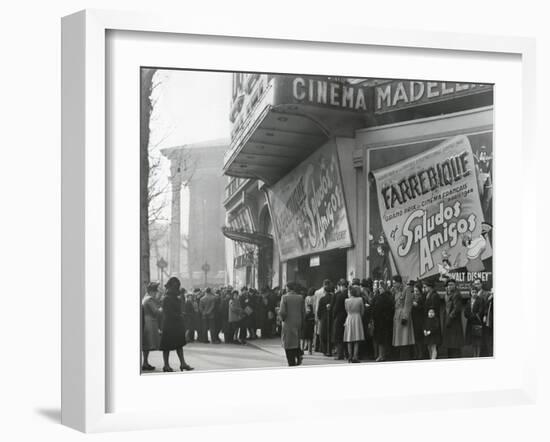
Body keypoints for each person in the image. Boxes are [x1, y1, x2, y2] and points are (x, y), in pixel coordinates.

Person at [159, 277, 194, 372]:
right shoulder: (166, 298)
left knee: (179, 345)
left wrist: (181, 315)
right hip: (169, 325)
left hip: (176, 324)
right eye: (175, 286)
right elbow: (168, 313)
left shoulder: (176, 298)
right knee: (166, 346)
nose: (177, 288)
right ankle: (166, 365)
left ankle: (183, 363)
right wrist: (180, 315)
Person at [279, 282, 305, 366]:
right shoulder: (300, 297)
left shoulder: (284, 297)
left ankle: (291, 362)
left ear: (288, 288)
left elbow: (282, 312)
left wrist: (282, 319)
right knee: (296, 341)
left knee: (288, 343)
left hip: (288, 322)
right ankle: (298, 354)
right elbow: (303, 312)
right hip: (298, 322)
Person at [392, 276, 415, 360]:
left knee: (404, 338)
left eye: (395, 282)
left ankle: (405, 358)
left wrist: (405, 317)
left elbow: (408, 304)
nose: (393, 284)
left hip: (403, 316)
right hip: (397, 316)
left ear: (399, 282)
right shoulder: (396, 291)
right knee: (399, 339)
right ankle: (401, 357)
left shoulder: (407, 289)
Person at [372, 280, 394, 362]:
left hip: (381, 321)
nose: (379, 289)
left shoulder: (381, 297)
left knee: (380, 340)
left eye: (381, 288)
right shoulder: (389, 297)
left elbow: (376, 308)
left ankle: (381, 355)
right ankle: (383, 355)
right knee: (384, 339)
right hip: (385, 321)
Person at [141, 282, 162, 371]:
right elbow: (156, 311)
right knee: (147, 344)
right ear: (151, 291)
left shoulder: (146, 298)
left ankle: (145, 362)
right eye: (155, 291)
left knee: (146, 345)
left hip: (147, 321)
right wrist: (163, 308)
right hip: (149, 322)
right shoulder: (149, 299)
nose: (156, 293)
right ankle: (145, 363)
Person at [442, 279, 464, 358]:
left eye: (451, 285)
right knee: (449, 343)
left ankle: (456, 358)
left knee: (455, 343)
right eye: (448, 285)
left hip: (454, 322)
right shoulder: (447, 294)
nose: (450, 286)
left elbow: (457, 308)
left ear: (455, 286)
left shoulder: (457, 294)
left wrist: (450, 318)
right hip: (449, 321)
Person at [344, 286, 365, 363]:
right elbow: (362, 311)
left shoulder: (346, 300)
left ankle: (349, 356)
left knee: (349, 338)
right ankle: (355, 356)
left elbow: (346, 310)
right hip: (357, 318)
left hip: (349, 317)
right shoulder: (360, 299)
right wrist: (360, 316)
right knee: (357, 339)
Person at [465, 286, 485, 357]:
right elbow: (466, 312)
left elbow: (480, 311)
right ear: (470, 293)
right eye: (472, 292)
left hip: (477, 322)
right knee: (473, 341)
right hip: (470, 323)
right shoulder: (468, 301)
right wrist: (469, 316)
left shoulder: (480, 300)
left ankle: (478, 355)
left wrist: (473, 316)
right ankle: (474, 355)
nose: (474, 294)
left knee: (478, 341)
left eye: (475, 292)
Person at [331, 279, 349, 360]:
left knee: (338, 336)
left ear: (342, 286)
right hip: (348, 317)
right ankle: (347, 354)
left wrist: (333, 316)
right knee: (347, 336)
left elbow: (336, 308)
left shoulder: (340, 295)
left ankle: (340, 354)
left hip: (339, 318)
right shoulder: (349, 294)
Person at [316, 283, 334, 356]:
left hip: (323, 318)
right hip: (331, 318)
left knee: (323, 334)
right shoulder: (333, 298)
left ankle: (324, 350)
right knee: (330, 333)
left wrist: (319, 317)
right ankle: (330, 349)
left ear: (325, 291)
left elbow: (319, 310)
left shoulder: (322, 299)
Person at [313, 280, 331, 352]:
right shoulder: (324, 293)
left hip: (318, 311)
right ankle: (322, 347)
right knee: (322, 331)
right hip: (323, 313)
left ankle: (317, 347)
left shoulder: (317, 292)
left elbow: (315, 303)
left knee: (318, 330)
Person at [411, 283, 425, 359]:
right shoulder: (413, 297)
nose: (415, 292)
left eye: (417, 291)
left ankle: (420, 354)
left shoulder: (422, 297)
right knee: (415, 338)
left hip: (419, 320)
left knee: (419, 338)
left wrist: (414, 303)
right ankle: (416, 354)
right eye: (414, 291)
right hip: (414, 319)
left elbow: (420, 307)